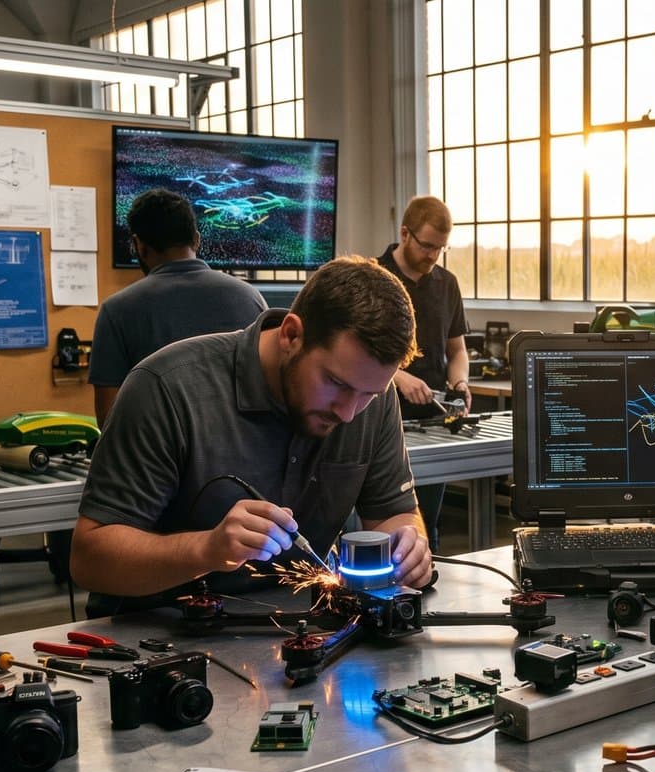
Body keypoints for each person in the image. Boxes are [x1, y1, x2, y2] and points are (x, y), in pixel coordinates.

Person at [71, 256, 432, 614]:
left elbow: (395, 515)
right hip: (155, 639)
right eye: (335, 383)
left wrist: (409, 546)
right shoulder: (167, 389)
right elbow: (90, 559)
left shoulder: (373, 398)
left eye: (368, 394)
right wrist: (206, 550)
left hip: (297, 631)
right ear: (291, 335)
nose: (348, 412)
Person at [89, 188, 268, 423]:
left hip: (157, 456)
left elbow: (109, 419)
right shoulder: (251, 298)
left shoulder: (117, 310)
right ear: (197, 239)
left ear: (138, 246)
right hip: (243, 454)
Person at [377, 195, 471, 550]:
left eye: (440, 248)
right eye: (428, 245)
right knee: (384, 521)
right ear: (405, 233)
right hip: (382, 419)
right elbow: (356, 349)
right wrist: (397, 376)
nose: (433, 255)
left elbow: (456, 349)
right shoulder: (374, 277)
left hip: (433, 423)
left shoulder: (447, 284)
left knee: (425, 525)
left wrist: (459, 380)